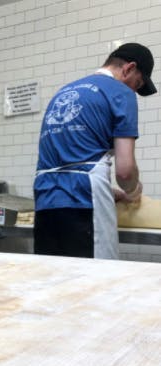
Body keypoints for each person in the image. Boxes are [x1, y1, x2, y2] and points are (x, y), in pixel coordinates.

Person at [33, 43, 157, 259]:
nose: (134, 91)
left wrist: (110, 193)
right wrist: (132, 190)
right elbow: (125, 172)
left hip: (45, 202)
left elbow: (68, 166)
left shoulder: (64, 92)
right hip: (84, 204)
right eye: (137, 84)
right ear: (128, 68)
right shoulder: (121, 92)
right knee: (96, 283)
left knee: (53, 281)